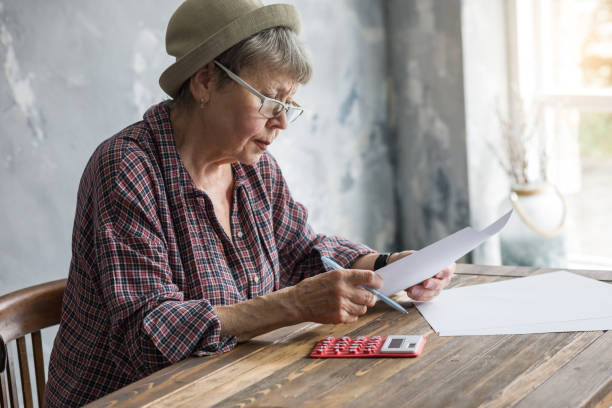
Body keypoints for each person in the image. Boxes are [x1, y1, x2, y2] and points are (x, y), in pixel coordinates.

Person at [44, 0, 455, 406]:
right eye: (270, 101)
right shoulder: (127, 168)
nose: (281, 123)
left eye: (289, 106)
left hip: (231, 388)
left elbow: (304, 255)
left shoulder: (254, 168)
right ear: (205, 82)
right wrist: (292, 304)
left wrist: (389, 267)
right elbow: (149, 334)